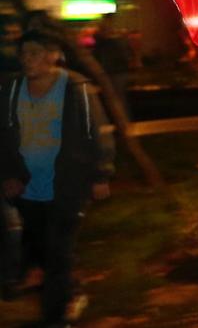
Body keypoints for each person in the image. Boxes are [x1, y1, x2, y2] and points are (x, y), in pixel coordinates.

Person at [0, 30, 111, 326]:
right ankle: (71, 291)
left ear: (53, 55)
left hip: (67, 185)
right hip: (26, 187)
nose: (27, 59)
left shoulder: (75, 87)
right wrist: (8, 174)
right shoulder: (11, 88)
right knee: (45, 249)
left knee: (58, 251)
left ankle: (55, 317)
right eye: (23, 53)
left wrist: (101, 173)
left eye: (34, 53)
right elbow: (3, 135)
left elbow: (94, 131)